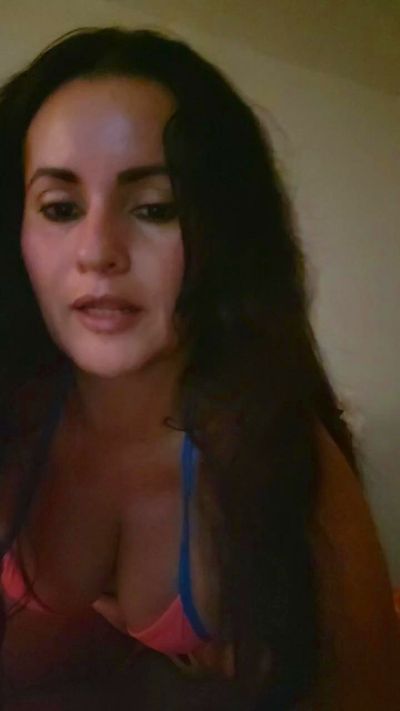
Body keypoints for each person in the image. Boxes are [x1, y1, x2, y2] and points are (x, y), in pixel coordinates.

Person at [0, 26, 398, 710]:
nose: (98, 251)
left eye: (155, 207)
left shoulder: (277, 453)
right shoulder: (11, 409)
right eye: (60, 208)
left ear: (224, 230)